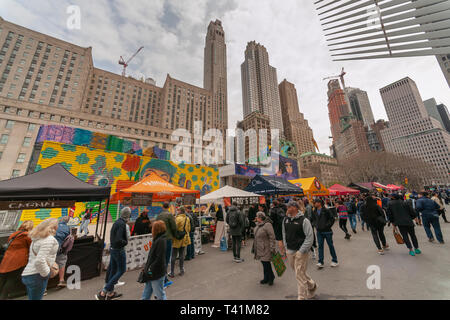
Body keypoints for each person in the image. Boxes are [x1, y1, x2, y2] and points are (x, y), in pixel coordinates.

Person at [280, 201, 317, 300]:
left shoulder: (304, 220)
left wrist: (301, 251)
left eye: (289, 206)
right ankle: (312, 285)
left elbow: (310, 237)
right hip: (290, 251)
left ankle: (302, 296)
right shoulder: (285, 220)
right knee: (299, 272)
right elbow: (284, 233)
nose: (287, 208)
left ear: (295, 208)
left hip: (301, 252)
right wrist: (286, 247)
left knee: (299, 274)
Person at [95, 207, 131, 300]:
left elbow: (113, 236)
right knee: (121, 270)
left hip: (114, 249)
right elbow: (119, 239)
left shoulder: (117, 222)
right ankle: (103, 292)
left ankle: (110, 293)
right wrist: (125, 242)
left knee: (113, 270)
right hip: (119, 250)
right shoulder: (122, 224)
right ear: (127, 215)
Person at [21, 218, 59, 300]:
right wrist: (46, 274)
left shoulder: (36, 239)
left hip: (29, 274)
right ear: (53, 226)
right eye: (57, 225)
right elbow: (39, 261)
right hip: (37, 275)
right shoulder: (49, 239)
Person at [0, 221, 33, 300]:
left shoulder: (13, 235)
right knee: (11, 279)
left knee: (3, 278)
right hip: (19, 260)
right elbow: (31, 248)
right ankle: (3, 297)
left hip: (7, 259)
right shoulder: (27, 236)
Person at [141, 220, 167, 300]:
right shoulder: (159, 239)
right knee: (146, 294)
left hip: (155, 273)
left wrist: (149, 268)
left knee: (159, 295)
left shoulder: (160, 241)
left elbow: (159, 258)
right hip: (152, 272)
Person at [310, 199, 338, 269]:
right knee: (320, 246)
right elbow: (313, 219)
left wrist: (327, 225)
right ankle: (320, 262)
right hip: (319, 232)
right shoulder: (314, 211)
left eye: (315, 202)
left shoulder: (326, 210)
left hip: (327, 231)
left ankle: (335, 260)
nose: (314, 204)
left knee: (330, 246)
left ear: (319, 203)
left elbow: (332, 219)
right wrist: (315, 225)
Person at [252, 212, 276, 286]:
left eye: (257, 217)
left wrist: (272, 247)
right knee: (264, 263)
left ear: (260, 218)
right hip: (260, 247)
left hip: (266, 248)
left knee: (266, 263)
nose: (256, 218)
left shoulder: (267, 225)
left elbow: (272, 237)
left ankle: (271, 277)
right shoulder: (258, 225)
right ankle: (266, 277)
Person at [156, 202, 177, 287]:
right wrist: (175, 236)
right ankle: (164, 279)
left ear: (162, 207)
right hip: (167, 239)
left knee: (161, 259)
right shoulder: (169, 215)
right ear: (168, 207)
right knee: (166, 259)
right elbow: (174, 227)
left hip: (159, 239)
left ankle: (161, 278)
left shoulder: (159, 215)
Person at [169, 207, 191, 277]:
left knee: (174, 256)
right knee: (182, 255)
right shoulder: (187, 218)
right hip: (184, 238)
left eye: (178, 210)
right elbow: (189, 229)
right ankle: (181, 270)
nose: (177, 211)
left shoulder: (177, 219)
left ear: (180, 211)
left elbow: (174, 228)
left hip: (177, 239)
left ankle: (172, 272)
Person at [54, 216, 72, 288]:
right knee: (62, 263)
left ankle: (44, 287)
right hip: (60, 249)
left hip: (50, 248)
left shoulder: (54, 226)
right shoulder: (67, 228)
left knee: (48, 265)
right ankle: (61, 280)